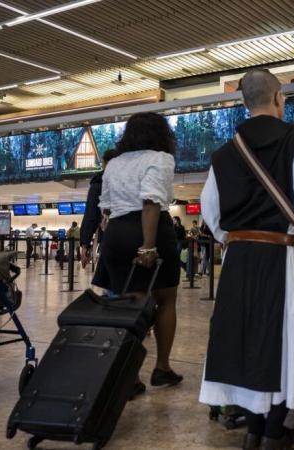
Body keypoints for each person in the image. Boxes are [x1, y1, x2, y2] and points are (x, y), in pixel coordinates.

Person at [199, 69, 294, 450]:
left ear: (244, 102)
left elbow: (210, 213)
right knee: (281, 340)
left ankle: (252, 429)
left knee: (242, 338)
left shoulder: (224, 153)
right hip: (283, 255)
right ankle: (273, 432)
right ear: (279, 98)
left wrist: (231, 238)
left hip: (238, 257)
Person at [99, 112, 183, 396]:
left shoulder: (114, 164)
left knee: (130, 303)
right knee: (166, 299)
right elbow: (150, 201)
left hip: (116, 233)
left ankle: (130, 375)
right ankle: (162, 368)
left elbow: (106, 207)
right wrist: (148, 245)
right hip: (150, 229)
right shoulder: (160, 158)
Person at [81, 149, 119, 272]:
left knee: (111, 280)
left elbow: (91, 216)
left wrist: (85, 245)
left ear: (104, 163)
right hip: (132, 237)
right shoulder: (128, 180)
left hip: (110, 237)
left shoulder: (98, 183)